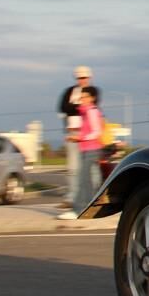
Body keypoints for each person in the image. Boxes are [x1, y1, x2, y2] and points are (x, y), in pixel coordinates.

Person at [59, 86, 103, 220]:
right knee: (87, 181)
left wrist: (80, 138)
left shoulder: (92, 112)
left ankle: (78, 210)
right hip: (86, 149)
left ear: (92, 98)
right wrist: (76, 137)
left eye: (85, 97)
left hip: (91, 149)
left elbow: (96, 131)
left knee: (82, 179)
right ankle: (89, 209)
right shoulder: (85, 112)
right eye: (81, 97)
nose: (82, 100)